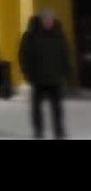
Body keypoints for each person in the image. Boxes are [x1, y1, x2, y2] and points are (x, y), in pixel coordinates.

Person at [19, 8, 71, 139]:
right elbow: (24, 55)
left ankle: (58, 130)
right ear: (41, 20)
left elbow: (65, 54)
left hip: (55, 78)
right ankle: (38, 131)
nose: (49, 21)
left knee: (57, 108)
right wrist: (27, 73)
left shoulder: (59, 35)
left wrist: (66, 71)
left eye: (51, 19)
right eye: (46, 19)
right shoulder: (30, 35)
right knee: (36, 109)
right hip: (37, 78)